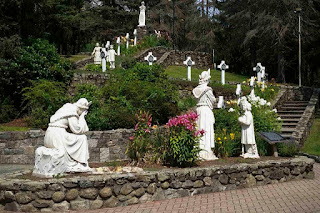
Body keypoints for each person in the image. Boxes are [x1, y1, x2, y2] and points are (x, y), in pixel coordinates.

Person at [34, 98, 92, 177]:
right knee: (82, 138)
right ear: (81, 108)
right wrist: (82, 117)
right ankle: (79, 164)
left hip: (49, 134)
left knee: (78, 138)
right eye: (82, 111)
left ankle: (76, 163)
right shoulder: (72, 111)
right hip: (58, 135)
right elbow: (77, 130)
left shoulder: (66, 107)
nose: (80, 114)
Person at [192, 69, 218, 160]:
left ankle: (199, 149)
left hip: (198, 110)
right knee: (205, 130)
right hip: (206, 111)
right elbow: (213, 100)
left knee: (199, 129)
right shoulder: (208, 90)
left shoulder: (196, 90)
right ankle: (205, 150)